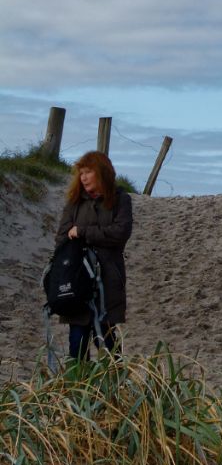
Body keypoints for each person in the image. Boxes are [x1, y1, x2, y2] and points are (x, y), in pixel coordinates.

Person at [56, 150, 132, 359]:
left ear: (102, 172)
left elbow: (120, 233)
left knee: (106, 340)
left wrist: (83, 232)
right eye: (81, 173)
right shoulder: (75, 202)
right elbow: (62, 238)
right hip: (77, 279)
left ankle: (115, 380)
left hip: (108, 279)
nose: (83, 177)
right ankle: (78, 380)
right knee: (77, 340)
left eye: (88, 172)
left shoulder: (120, 200)